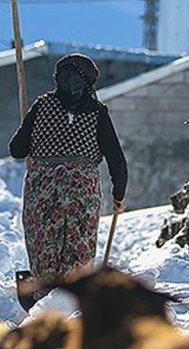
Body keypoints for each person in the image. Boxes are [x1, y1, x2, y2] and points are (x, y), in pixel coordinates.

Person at [9, 53, 127, 294]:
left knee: (44, 246)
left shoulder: (42, 106)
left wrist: (33, 141)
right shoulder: (97, 113)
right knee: (77, 247)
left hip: (42, 191)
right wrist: (119, 195)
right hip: (81, 195)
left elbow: (16, 149)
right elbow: (117, 160)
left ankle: (44, 297)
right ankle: (75, 300)